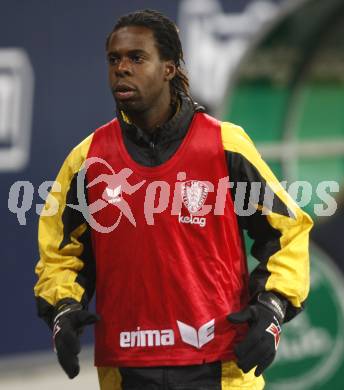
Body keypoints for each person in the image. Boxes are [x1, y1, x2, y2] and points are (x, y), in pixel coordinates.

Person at [34, 9, 313, 390]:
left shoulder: (224, 145)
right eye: (114, 59)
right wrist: (63, 309)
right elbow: (60, 253)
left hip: (218, 364)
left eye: (136, 57)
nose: (122, 68)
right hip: (127, 365)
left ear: (168, 68)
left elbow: (287, 232)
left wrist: (273, 308)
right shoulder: (88, 159)